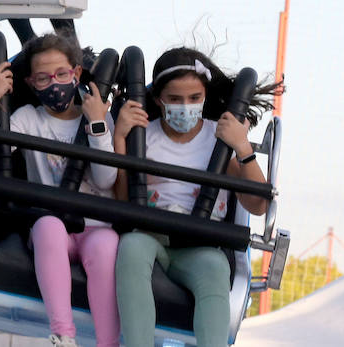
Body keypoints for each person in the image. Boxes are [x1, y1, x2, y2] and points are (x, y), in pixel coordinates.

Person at [111, 47, 276, 347]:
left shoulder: (220, 138)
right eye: (174, 99)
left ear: (205, 98)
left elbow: (258, 205)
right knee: (131, 245)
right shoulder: (143, 136)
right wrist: (120, 139)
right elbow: (121, 202)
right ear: (159, 99)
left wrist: (243, 148)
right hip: (152, 234)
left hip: (200, 243)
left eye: (193, 98)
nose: (184, 106)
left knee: (215, 268)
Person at [0, 34, 119, 347]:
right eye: (43, 78)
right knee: (46, 226)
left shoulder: (98, 116)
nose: (54, 84)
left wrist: (96, 124)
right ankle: (63, 334)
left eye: (62, 75)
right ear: (31, 82)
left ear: (76, 74)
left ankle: (109, 343)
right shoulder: (29, 119)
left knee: (107, 246)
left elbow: (106, 179)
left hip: (95, 228)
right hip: (57, 227)